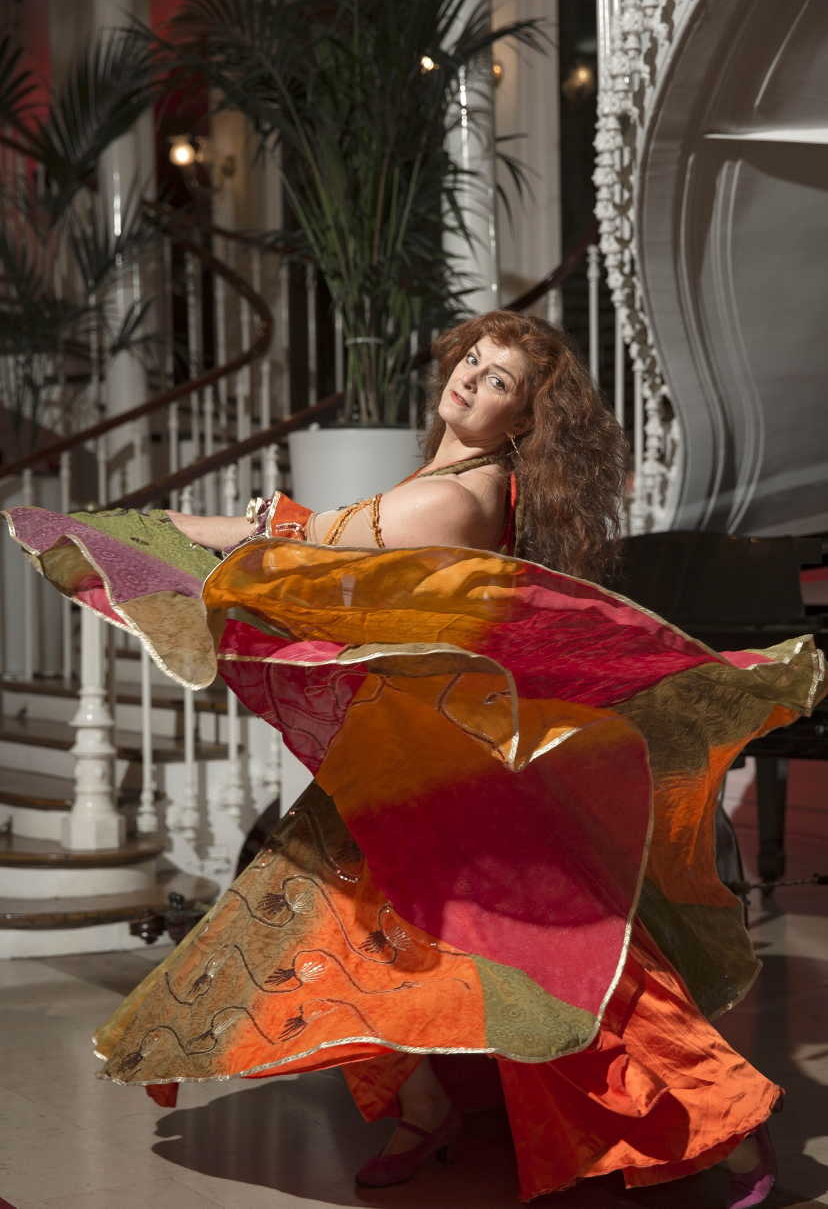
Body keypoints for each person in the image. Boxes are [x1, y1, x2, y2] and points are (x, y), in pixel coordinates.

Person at [4, 311, 820, 1206]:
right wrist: (173, 529)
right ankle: (423, 1110)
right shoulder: (452, 474)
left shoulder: (450, 499)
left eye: (498, 380)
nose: (469, 378)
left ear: (523, 418)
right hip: (406, 756)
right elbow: (328, 543)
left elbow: (300, 549)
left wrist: (166, 531)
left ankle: (731, 1129)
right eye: (473, 359)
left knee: (550, 963)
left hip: (452, 774)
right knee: (342, 933)